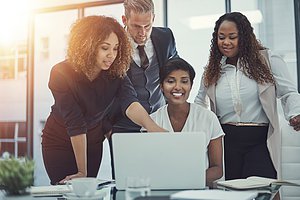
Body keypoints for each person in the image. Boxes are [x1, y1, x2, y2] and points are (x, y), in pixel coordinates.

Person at [41, 15, 165, 185]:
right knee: (65, 191)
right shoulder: (60, 72)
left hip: (92, 141)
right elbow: (74, 120)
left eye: (115, 48)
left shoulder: (116, 73)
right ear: (87, 46)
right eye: (105, 48)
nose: (111, 55)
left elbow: (130, 103)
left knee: (88, 192)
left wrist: (152, 127)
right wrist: (81, 171)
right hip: (58, 141)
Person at [194, 12, 300, 182]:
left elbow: (288, 92)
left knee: (261, 188)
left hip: (260, 140)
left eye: (232, 37)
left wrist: (295, 113)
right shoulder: (212, 69)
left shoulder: (268, 60)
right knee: (231, 192)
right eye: (221, 37)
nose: (226, 42)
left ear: (244, 37)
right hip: (226, 140)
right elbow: (200, 102)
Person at [149, 57, 224, 187]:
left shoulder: (208, 118)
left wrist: (188, 180)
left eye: (184, 81)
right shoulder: (152, 121)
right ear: (161, 86)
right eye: (170, 81)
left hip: (199, 190)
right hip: (162, 189)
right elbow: (148, 165)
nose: (178, 87)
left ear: (190, 85)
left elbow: (217, 169)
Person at [111, 0, 178, 133]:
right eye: (136, 26)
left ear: (153, 18)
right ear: (124, 20)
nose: (142, 33)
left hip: (160, 121)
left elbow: (176, 69)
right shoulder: (114, 46)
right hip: (123, 125)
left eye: (147, 26)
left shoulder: (165, 37)